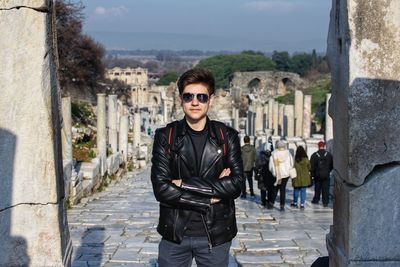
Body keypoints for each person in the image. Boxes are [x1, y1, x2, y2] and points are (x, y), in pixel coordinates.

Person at [150, 68, 244, 267]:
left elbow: (236, 185)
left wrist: (182, 183)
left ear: (211, 99)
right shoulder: (165, 136)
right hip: (175, 233)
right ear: (180, 99)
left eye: (201, 97)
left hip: (215, 235)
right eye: (188, 96)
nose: (195, 102)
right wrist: (208, 198)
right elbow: (161, 188)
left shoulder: (227, 137)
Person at [268, 140, 294, 211]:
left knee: (275, 189)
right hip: (286, 174)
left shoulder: (274, 154)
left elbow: (271, 166)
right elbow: (291, 163)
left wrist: (273, 172)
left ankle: (271, 203)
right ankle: (282, 206)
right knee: (283, 189)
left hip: (278, 174)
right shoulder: (288, 153)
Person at [310, 141, 333, 207]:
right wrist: (328, 171)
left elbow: (312, 166)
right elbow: (332, 165)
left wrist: (313, 174)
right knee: (326, 189)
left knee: (317, 189)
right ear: (324, 146)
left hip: (317, 175)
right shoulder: (329, 155)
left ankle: (316, 200)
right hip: (326, 175)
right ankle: (325, 202)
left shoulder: (314, 155)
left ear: (318, 146)